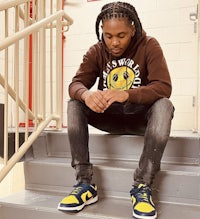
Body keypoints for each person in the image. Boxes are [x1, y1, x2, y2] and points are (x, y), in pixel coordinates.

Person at [57, 1, 174, 219]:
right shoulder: (97, 51)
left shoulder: (149, 45)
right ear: (102, 31)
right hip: (110, 118)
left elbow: (164, 86)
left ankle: (142, 186)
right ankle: (84, 184)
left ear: (133, 28)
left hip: (142, 119)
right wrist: (87, 95)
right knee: (74, 103)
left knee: (164, 105)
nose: (114, 42)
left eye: (121, 35)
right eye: (108, 36)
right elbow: (75, 84)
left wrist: (127, 93)